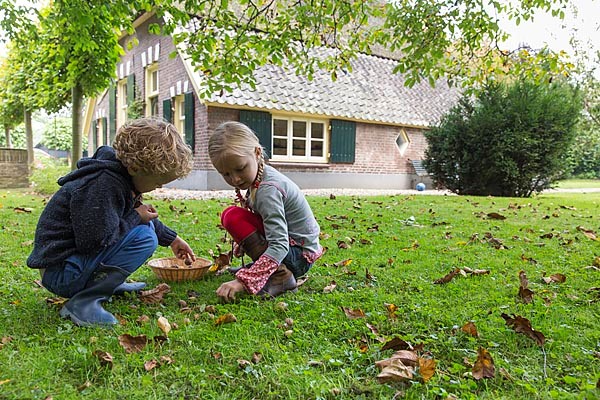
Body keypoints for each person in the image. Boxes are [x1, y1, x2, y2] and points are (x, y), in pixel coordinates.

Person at [27, 118, 196, 327]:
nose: (158, 187)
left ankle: (108, 283)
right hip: (61, 273)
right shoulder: (103, 186)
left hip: (70, 265)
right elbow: (94, 241)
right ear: (135, 168)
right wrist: (136, 217)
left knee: (143, 226)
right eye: (158, 181)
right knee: (144, 238)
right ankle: (83, 302)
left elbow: (133, 216)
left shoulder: (119, 177)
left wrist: (172, 239)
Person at [208, 121, 323, 302]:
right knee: (230, 215)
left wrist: (243, 281)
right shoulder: (261, 175)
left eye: (240, 168)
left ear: (257, 153)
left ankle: (281, 277)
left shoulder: (268, 190)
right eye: (226, 174)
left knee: (233, 217)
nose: (235, 179)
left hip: (299, 257)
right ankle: (264, 267)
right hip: (292, 248)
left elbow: (279, 244)